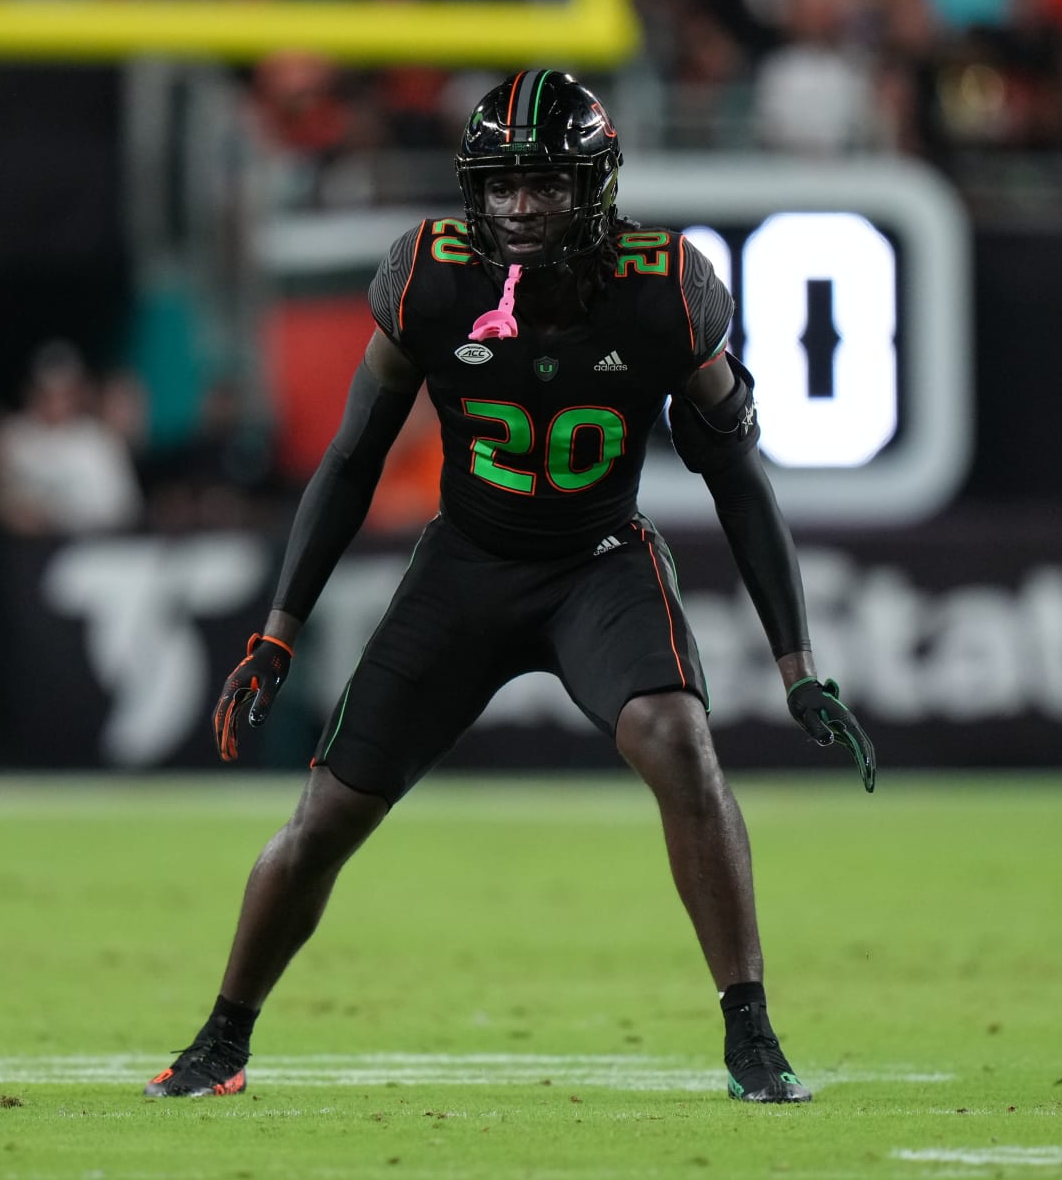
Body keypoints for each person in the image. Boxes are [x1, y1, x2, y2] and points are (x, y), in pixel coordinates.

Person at [145, 70, 876, 1106]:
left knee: (678, 739)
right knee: (325, 819)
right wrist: (278, 631)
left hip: (598, 564)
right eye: (500, 186)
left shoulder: (663, 286)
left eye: (545, 186)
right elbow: (352, 460)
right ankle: (222, 1040)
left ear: (597, 190)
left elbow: (736, 476)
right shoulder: (428, 280)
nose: (520, 209)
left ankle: (751, 1034)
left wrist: (799, 666)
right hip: (467, 568)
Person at [0, 340, 143, 537]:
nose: (55, 402)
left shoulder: (97, 442)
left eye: (63, 393)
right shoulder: (13, 437)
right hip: (25, 549)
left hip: (83, 547)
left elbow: (119, 509)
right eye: (47, 392)